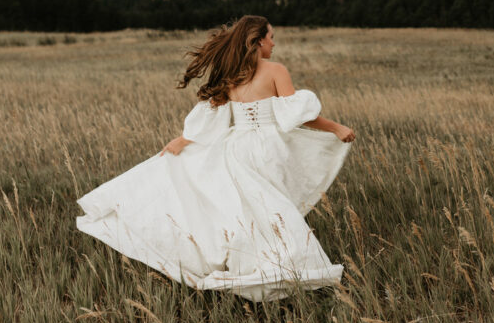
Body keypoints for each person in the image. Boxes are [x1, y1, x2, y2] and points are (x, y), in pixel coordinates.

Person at [76, 15, 355, 302]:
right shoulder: (275, 71)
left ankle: (261, 266)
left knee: (255, 211)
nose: (274, 43)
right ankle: (281, 271)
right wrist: (336, 128)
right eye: (271, 37)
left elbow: (217, 114)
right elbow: (300, 116)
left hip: (238, 147)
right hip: (268, 151)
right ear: (257, 41)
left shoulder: (232, 73)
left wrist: (186, 140)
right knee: (272, 210)